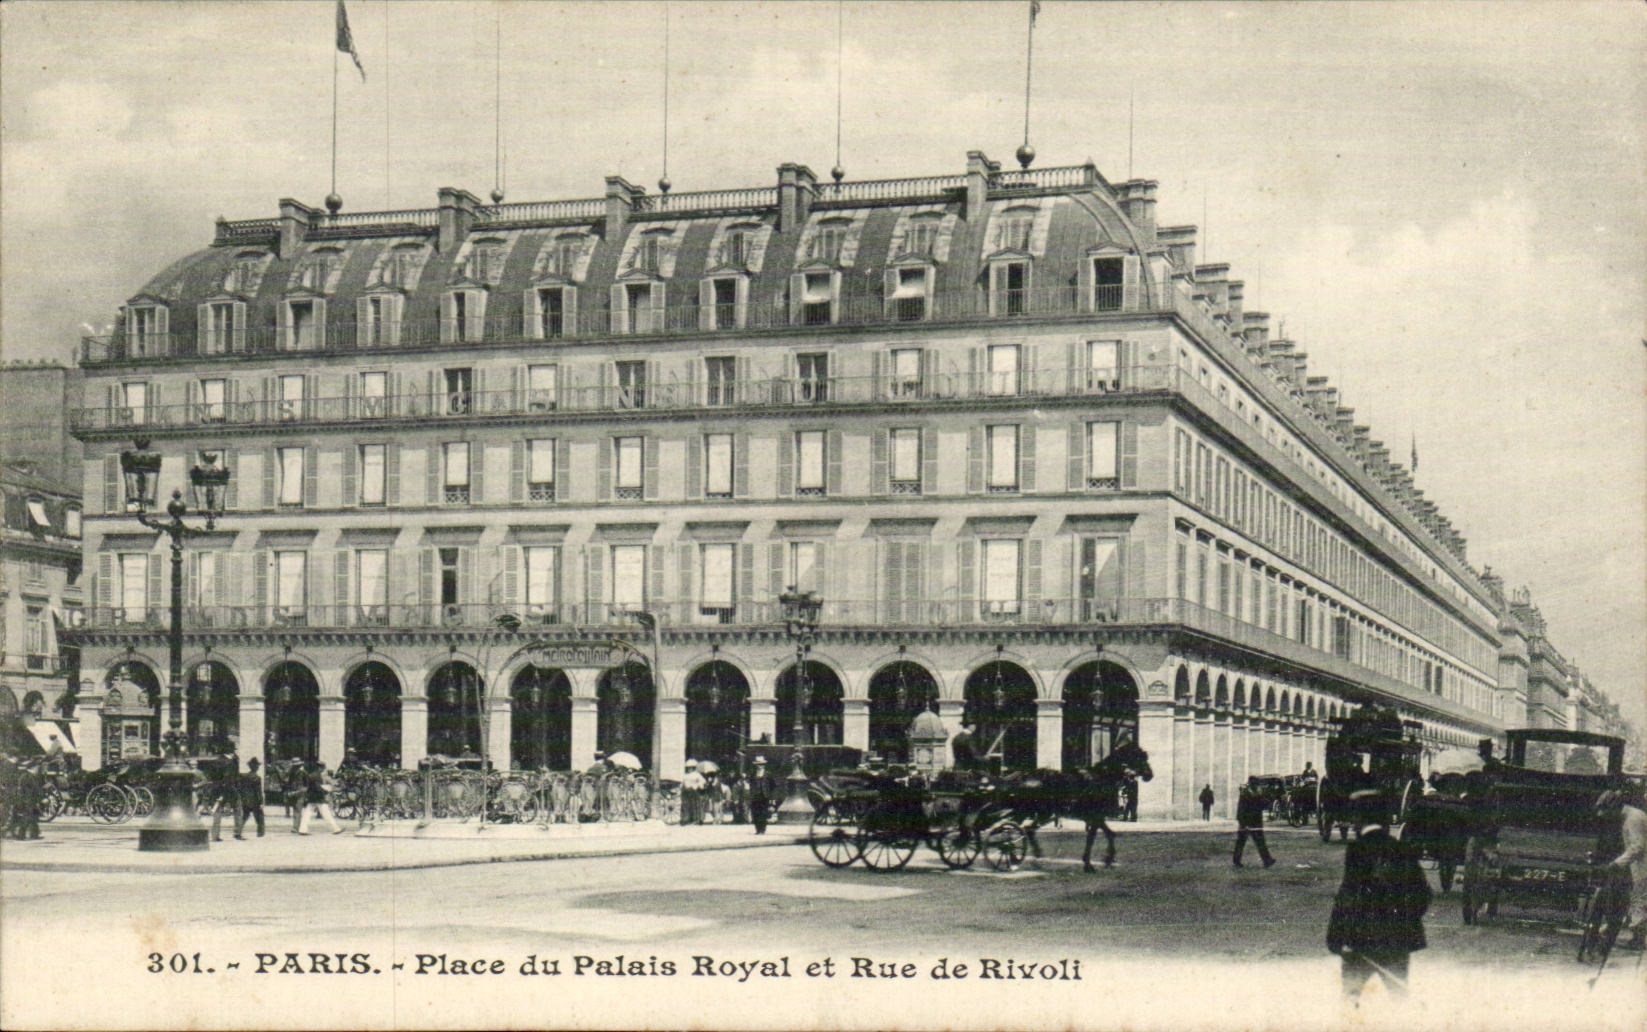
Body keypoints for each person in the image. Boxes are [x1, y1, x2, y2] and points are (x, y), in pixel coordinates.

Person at [1326, 788, 1431, 1002]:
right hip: (1397, 943)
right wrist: (1403, 919)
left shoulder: (1357, 850)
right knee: (1400, 999)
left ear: (1359, 818)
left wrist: (1335, 936)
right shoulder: (1400, 848)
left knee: (1350, 999)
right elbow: (1423, 893)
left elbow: (1348, 896)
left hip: (1360, 942)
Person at [1598, 789, 1647, 950]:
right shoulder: (1633, 816)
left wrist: (1617, 863)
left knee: (1638, 901)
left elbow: (1637, 847)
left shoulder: (1633, 819)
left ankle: (1637, 940)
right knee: (1637, 900)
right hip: (1640, 866)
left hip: (1644, 867)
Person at [1233, 777, 1275, 868]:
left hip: (1256, 822)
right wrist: (1243, 822)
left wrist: (1269, 799)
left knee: (1260, 842)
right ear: (1252, 785)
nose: (1257, 786)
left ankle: (1267, 860)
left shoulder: (1258, 794)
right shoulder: (1245, 794)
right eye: (1256, 784)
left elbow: (1263, 805)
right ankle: (1236, 860)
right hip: (1247, 822)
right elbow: (1241, 809)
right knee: (1241, 842)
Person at [296, 761, 344, 835]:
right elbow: (317, 787)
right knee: (326, 814)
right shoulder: (317, 776)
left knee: (307, 814)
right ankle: (335, 829)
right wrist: (325, 791)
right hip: (318, 796)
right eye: (323, 768)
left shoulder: (312, 775)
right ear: (320, 767)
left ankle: (302, 829)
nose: (323, 769)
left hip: (312, 796)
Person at [234, 757, 266, 839]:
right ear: (256, 767)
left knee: (244, 816)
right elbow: (258, 792)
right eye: (257, 766)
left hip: (245, 800)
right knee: (260, 817)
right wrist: (261, 802)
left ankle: (237, 832)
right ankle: (260, 833)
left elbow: (240, 788)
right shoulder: (257, 778)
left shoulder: (244, 776)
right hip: (255, 801)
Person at [748, 756, 774, 835]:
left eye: (761, 764)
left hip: (764, 796)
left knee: (763, 813)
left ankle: (762, 829)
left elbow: (773, 785)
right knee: (755, 813)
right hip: (755, 796)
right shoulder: (753, 774)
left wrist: (771, 796)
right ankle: (757, 829)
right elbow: (751, 784)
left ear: (764, 765)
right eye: (758, 764)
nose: (760, 766)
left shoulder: (768, 774)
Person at [680, 760, 705, 826]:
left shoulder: (697, 774)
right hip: (686, 792)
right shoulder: (685, 775)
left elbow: (702, 782)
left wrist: (697, 785)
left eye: (690, 767)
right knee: (686, 806)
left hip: (694, 791)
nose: (689, 769)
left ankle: (696, 819)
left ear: (693, 768)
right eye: (688, 768)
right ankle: (687, 819)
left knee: (695, 805)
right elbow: (682, 783)